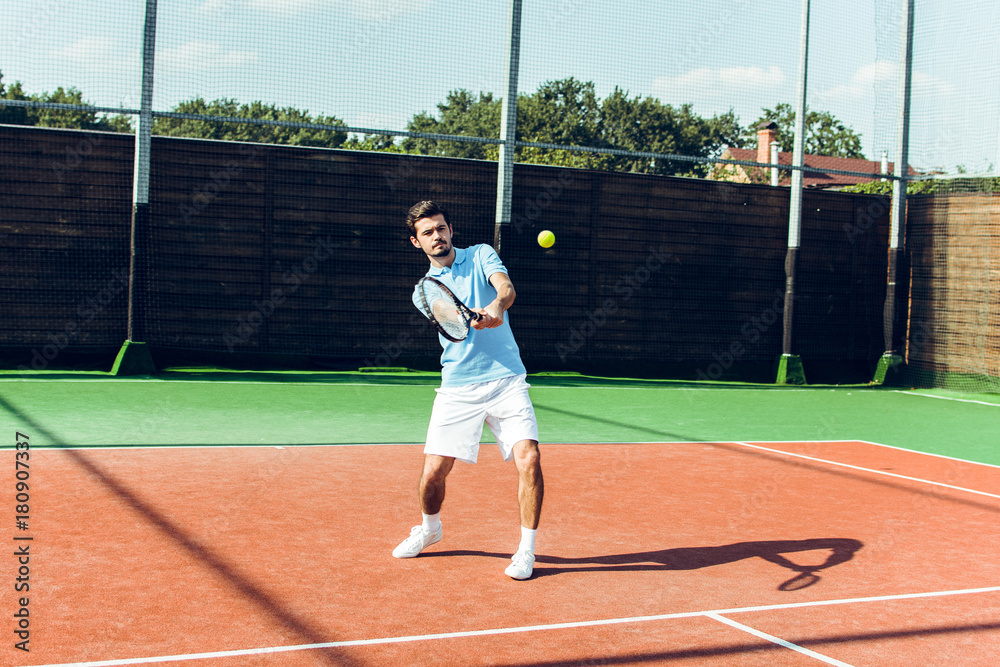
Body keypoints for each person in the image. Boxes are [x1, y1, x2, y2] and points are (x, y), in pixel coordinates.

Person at [392, 200, 543, 580]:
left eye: (441, 228)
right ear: (416, 242)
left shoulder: (480, 255)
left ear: (451, 229)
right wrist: (473, 317)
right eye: (427, 232)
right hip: (459, 386)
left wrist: (496, 306)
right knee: (433, 475)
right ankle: (430, 530)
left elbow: (505, 288)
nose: (437, 236)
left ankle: (526, 551)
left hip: (507, 379)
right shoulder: (423, 291)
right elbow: (455, 322)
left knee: (530, 459)